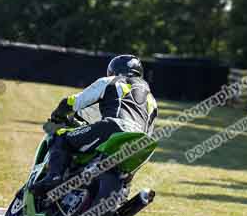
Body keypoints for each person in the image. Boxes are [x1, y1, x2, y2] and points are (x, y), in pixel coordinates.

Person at [30, 54, 158, 197]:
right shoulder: (151, 99)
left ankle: (53, 177)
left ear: (113, 70)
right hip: (142, 141)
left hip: (114, 127)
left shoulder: (111, 81)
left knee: (61, 137)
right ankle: (124, 190)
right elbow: (150, 130)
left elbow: (74, 101)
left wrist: (58, 114)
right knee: (127, 175)